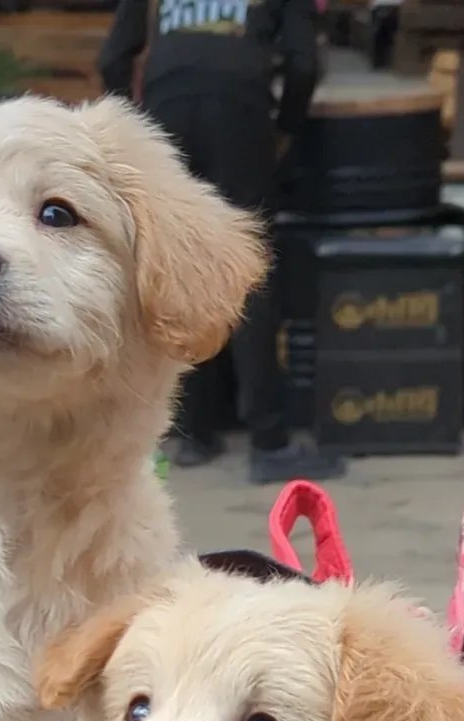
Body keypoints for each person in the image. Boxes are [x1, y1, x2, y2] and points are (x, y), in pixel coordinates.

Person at [99, 0, 345, 483]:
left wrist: (129, 132)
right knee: (245, 262)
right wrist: (287, 128)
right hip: (240, 106)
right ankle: (269, 442)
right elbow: (302, 61)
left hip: (165, 110)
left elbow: (113, 58)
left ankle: (193, 433)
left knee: (183, 259)